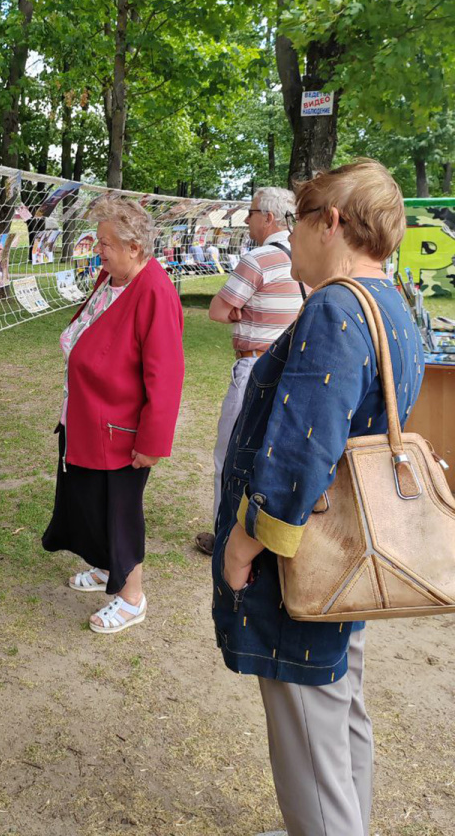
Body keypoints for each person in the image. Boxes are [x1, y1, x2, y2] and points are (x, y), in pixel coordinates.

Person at [211, 160, 424, 836]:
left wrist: (249, 539)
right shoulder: (391, 302)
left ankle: (326, 826)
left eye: (297, 225)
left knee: (307, 726)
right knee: (339, 709)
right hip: (345, 556)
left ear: (329, 222)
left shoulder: (335, 305)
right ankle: (338, 821)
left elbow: (303, 447)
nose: (287, 245)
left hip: (307, 557)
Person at [42, 194, 185, 634]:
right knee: (91, 502)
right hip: (89, 416)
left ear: (134, 248)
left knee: (120, 512)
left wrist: (151, 442)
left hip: (120, 431)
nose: (96, 249)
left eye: (104, 242)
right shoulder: (111, 277)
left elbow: (166, 376)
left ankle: (132, 596)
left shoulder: (155, 292)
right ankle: (109, 569)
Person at [195, 188, 304, 556]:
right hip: (293, 371)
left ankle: (224, 535)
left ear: (269, 217)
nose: (246, 219)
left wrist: (241, 310)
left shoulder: (258, 259)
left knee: (229, 454)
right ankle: (264, 537)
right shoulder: (305, 258)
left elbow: (217, 310)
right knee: (274, 455)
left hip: (255, 366)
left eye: (251, 211)